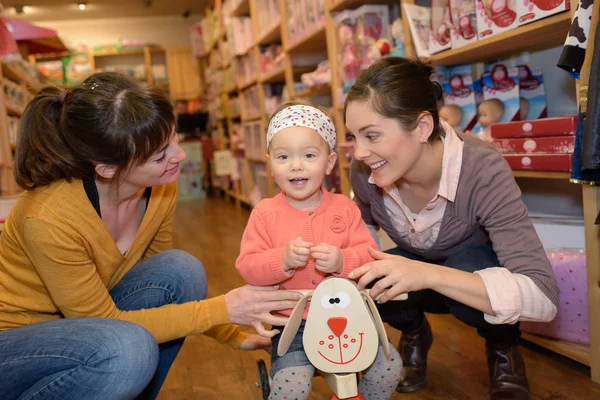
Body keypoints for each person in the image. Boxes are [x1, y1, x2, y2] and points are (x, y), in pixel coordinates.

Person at [0, 72, 303, 400]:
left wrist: (232, 333)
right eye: (160, 155)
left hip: (84, 324)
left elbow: (167, 294)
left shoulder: (159, 189)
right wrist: (225, 310)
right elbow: (105, 321)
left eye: (174, 138)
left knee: (180, 269)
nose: (180, 156)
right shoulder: (48, 217)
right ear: (106, 168)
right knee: (127, 350)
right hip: (16, 342)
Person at [343, 58, 558, 400]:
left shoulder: (482, 169)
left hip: (467, 269)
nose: (359, 152)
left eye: (371, 136)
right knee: (363, 275)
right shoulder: (364, 170)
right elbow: (355, 244)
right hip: (417, 269)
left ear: (423, 127)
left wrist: (426, 274)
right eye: (353, 137)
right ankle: (414, 330)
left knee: (467, 267)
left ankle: (503, 347)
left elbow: (544, 297)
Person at [236, 101, 402, 400]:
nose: (296, 165)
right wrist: (281, 260)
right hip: (292, 323)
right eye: (283, 157)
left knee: (389, 366)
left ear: (328, 162)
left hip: (350, 316)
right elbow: (247, 265)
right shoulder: (264, 213)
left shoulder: (345, 207)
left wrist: (342, 260)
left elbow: (370, 254)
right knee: (292, 385)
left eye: (309, 155)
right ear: (270, 163)